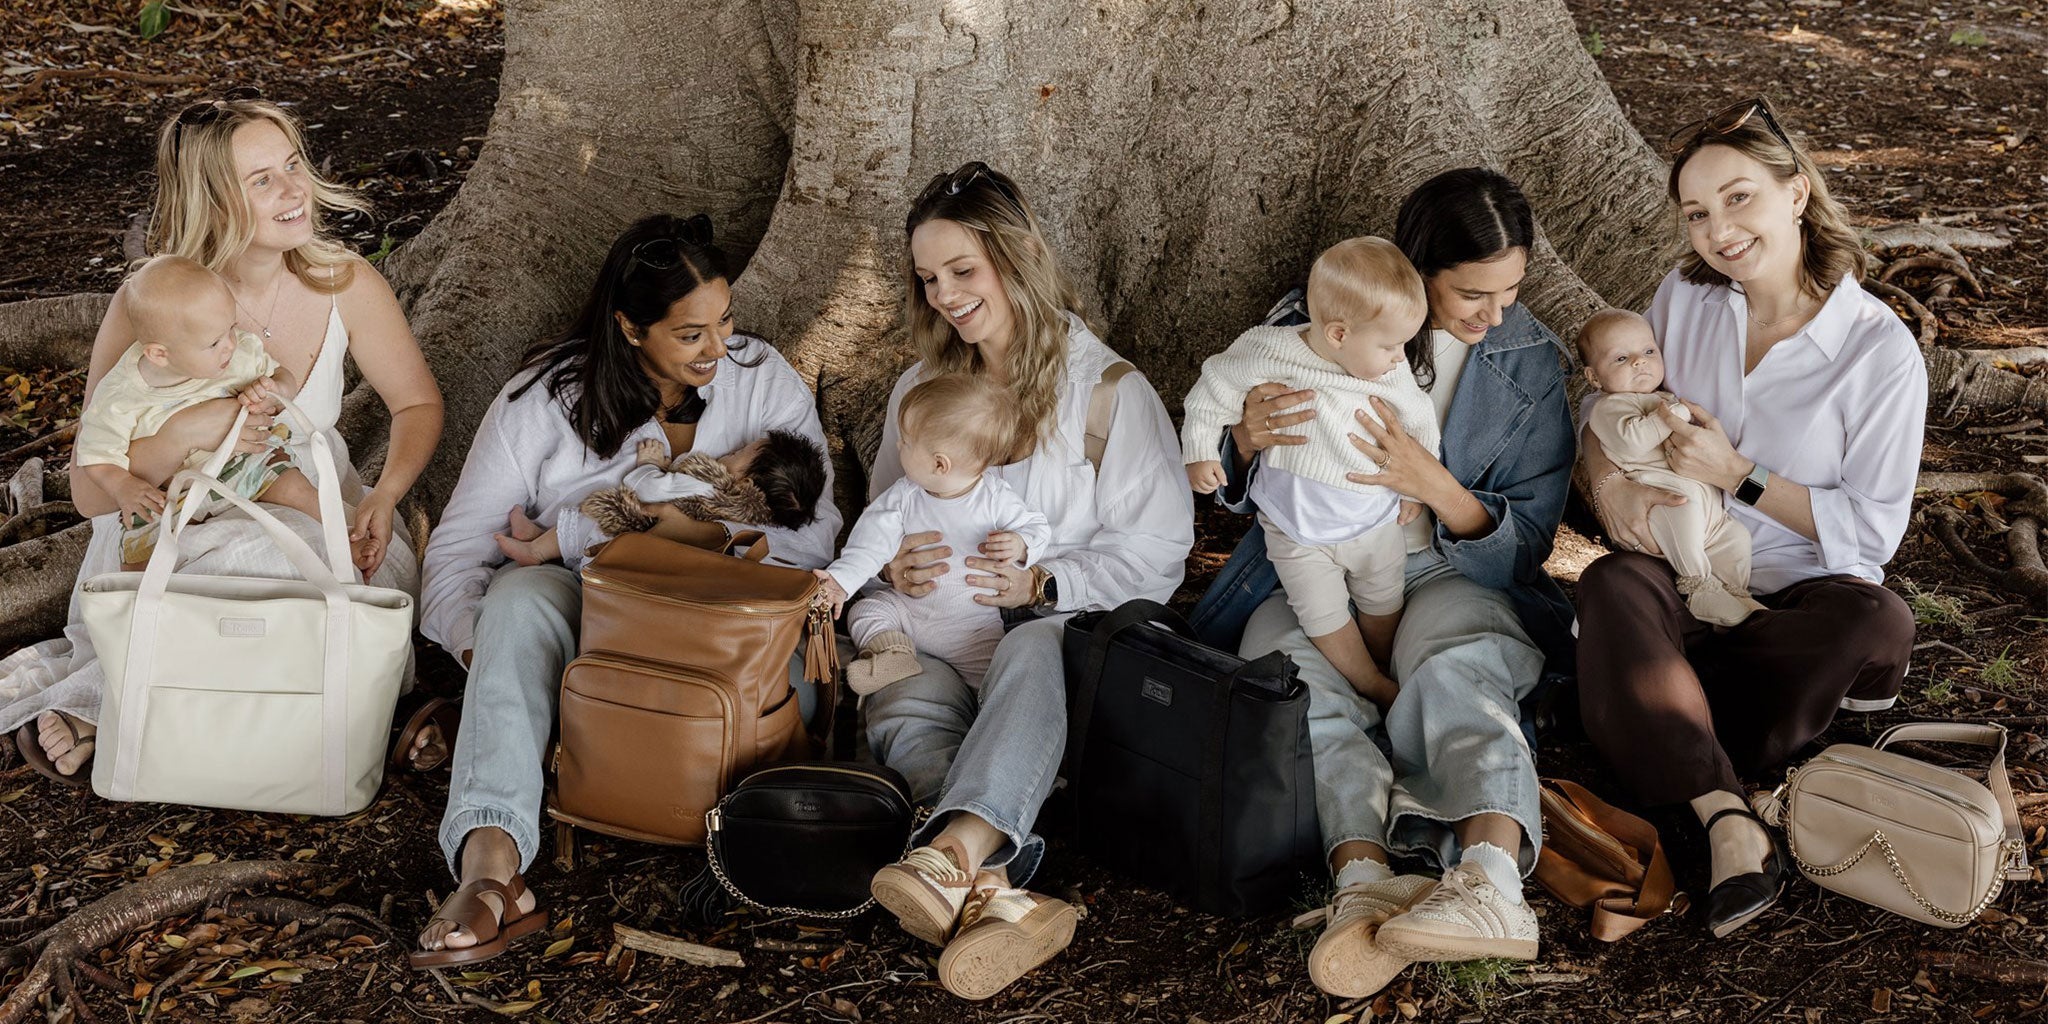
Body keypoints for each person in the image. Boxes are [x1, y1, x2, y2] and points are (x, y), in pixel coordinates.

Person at [413, 213, 841, 968]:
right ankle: (491, 868)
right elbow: (452, 558)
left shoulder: (762, 376)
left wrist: (685, 532)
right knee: (515, 602)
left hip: (729, 627)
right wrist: (496, 661)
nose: (720, 350)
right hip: (594, 622)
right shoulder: (542, 400)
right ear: (630, 326)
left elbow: (814, 535)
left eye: (727, 321)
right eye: (691, 334)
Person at [1187, 168, 1575, 997]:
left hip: (1448, 564)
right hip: (1311, 566)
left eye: (1511, 290)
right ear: (1418, 268)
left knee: (1456, 664)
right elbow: (1226, 459)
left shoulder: (1529, 360)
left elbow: (1529, 537)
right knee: (1289, 681)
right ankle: (1361, 878)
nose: (1494, 313)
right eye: (1473, 292)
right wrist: (1244, 444)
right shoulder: (1320, 319)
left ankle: (1490, 881)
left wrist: (1431, 483)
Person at [2, 89, 443, 786]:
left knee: (310, 571)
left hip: (297, 491)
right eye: (262, 180)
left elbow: (416, 402)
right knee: (224, 570)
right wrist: (190, 429)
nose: (294, 189)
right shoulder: (154, 303)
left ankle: (164, 712)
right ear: (212, 199)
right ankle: (127, 708)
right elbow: (91, 493)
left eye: (294, 165)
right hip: (179, 498)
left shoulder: (345, 282)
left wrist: (385, 495)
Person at [1575, 97, 1922, 938]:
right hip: (1684, 581)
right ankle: (1729, 814)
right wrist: (1607, 488)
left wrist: (1742, 474)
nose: (1717, 230)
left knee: (1875, 619)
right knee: (1614, 582)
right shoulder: (1685, 299)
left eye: (1738, 198)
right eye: (1696, 212)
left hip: (1794, 601)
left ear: (1797, 193)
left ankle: (1647, 717)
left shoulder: (1878, 352)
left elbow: (1872, 534)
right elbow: (1609, 402)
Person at [860, 162, 1193, 1001]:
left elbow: (1158, 553)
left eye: (962, 271)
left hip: (1067, 644)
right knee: (897, 688)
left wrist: (1044, 583)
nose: (944, 295)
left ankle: (956, 850)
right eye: (928, 278)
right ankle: (992, 890)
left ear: (1017, 257)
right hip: (940, 633)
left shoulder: (1108, 392)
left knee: (1035, 646)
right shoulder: (922, 389)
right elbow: (882, 521)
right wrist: (894, 566)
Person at [1181, 236, 1437, 706]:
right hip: (1296, 526)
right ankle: (1367, 681)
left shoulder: (1389, 373)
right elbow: (1214, 385)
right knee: (1321, 614)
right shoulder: (1269, 351)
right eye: (1392, 345)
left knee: (1384, 600)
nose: (1402, 357)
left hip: (1372, 519)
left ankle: (1384, 662)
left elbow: (1422, 421)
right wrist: (1200, 449)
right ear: (1339, 334)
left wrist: (1413, 490)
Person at [75, 256, 329, 571]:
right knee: (138, 552)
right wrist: (122, 485)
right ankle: (136, 608)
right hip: (169, 491)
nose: (231, 345)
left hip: (242, 462)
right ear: (159, 354)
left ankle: (343, 534)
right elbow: (96, 456)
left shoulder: (238, 355)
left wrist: (276, 390)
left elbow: (281, 375)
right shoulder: (119, 397)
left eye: (231, 328)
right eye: (214, 342)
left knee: (293, 485)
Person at [813, 372, 1051, 693]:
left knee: (996, 683)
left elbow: (1037, 527)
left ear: (940, 464)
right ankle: (893, 654)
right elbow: (870, 544)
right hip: (907, 611)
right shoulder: (904, 496)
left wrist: (1021, 545)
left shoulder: (995, 498)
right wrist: (841, 581)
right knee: (866, 612)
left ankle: (987, 714)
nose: (899, 445)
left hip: (971, 629)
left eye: (907, 441)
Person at [1575, 309, 1764, 626]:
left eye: (1649, 351)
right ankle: (1699, 586)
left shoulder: (1660, 397)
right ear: (1594, 377)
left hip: (1707, 509)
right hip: (1660, 499)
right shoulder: (1608, 408)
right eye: (1621, 358)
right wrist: (1673, 415)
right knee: (1682, 510)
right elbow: (1632, 440)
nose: (1639, 361)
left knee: (1735, 537)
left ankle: (1735, 593)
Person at [494, 429, 828, 565]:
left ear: (745, 482)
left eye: (741, 451)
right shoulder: (742, 517)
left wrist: (649, 466)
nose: (732, 450)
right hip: (649, 558)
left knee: (595, 514)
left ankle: (535, 550)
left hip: (626, 542)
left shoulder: (709, 487)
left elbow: (649, 491)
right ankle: (540, 537)